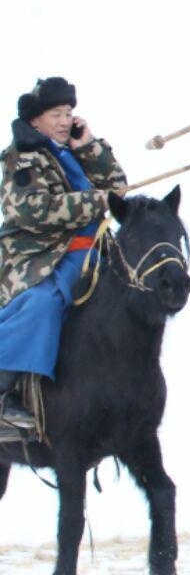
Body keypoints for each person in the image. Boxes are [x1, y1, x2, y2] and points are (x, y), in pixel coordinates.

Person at [0, 78, 129, 430]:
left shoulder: (72, 152)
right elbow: (30, 210)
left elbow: (117, 189)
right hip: (41, 261)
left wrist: (88, 148)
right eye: (55, 113)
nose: (62, 120)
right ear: (34, 120)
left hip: (92, 258)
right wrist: (94, 201)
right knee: (42, 303)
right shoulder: (21, 158)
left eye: (68, 113)